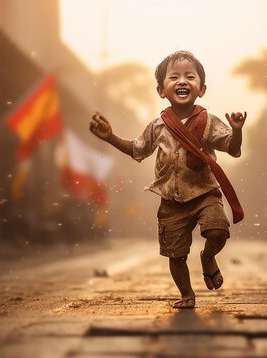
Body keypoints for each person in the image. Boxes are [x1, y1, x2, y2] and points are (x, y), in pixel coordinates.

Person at [89, 50, 247, 309]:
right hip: (171, 199)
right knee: (176, 254)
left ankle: (208, 257)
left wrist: (237, 132)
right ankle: (187, 294)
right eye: (174, 77)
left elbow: (231, 147)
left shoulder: (209, 122)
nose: (182, 81)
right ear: (161, 90)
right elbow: (136, 149)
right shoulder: (157, 127)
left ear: (202, 89)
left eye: (189, 77)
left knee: (218, 231)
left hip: (205, 192)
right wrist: (110, 137)